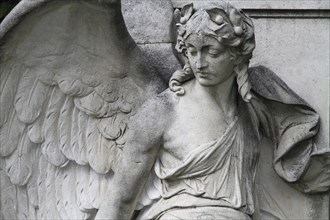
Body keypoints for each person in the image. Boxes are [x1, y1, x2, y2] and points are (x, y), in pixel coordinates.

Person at [96, 3, 327, 220]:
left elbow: (298, 144)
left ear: (236, 55)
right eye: (192, 52)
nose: (199, 63)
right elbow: (120, 201)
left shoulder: (254, 104)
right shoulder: (162, 111)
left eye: (211, 52)